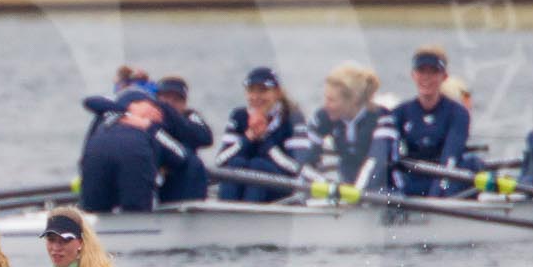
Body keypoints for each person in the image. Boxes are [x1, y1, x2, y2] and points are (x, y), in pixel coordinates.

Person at [214, 66, 314, 202]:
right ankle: (224, 214)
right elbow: (220, 162)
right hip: (248, 184)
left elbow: (297, 168)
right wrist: (247, 139)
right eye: (251, 91)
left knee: (259, 165)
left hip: (282, 188)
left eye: (263, 90)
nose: (255, 97)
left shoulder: (293, 119)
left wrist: (265, 139)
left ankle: (250, 216)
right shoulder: (239, 116)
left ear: (277, 93)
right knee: (235, 164)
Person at [388, 45, 472, 196]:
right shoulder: (400, 113)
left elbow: (450, 158)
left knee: (473, 163)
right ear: (413, 75)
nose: (426, 77)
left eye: (433, 72)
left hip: (445, 181)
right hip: (412, 179)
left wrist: (434, 197)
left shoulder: (458, 113)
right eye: (421, 71)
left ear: (444, 77)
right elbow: (390, 156)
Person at [78, 87, 168, 213]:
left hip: (96, 149)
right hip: (133, 150)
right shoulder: (152, 120)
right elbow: (179, 156)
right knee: (136, 210)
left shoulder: (105, 114)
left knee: (93, 209)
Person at [309, 62, 397, 190]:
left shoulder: (382, 118)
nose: (326, 105)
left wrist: (354, 193)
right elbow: (305, 159)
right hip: (350, 191)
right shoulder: (325, 116)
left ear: (353, 100)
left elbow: (376, 163)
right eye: (325, 98)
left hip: (386, 191)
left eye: (331, 100)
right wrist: (325, 184)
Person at [153, 76, 215, 204]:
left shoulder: (191, 116)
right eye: (166, 98)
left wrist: (172, 117)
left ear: (185, 103)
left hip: (184, 180)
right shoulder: (150, 120)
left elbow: (206, 138)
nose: (170, 103)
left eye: (176, 99)